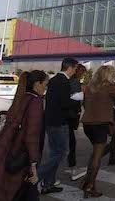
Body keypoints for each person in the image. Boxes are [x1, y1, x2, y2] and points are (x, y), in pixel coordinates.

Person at [0, 71, 48, 201]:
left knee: (0, 190)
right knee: (21, 192)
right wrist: (34, 164)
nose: (45, 88)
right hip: (20, 156)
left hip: (7, 151)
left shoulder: (21, 98)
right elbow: (32, 135)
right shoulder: (35, 102)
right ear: (37, 84)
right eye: (45, 84)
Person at [79, 66, 115, 198]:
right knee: (97, 156)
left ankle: (87, 182)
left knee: (95, 153)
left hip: (88, 124)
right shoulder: (108, 88)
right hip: (100, 125)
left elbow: (84, 104)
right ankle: (89, 186)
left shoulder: (89, 87)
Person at [38, 57, 81, 195]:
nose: (75, 71)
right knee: (61, 153)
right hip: (59, 122)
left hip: (51, 121)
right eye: (75, 68)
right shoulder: (64, 81)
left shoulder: (55, 80)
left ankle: (48, 184)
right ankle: (36, 177)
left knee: (54, 152)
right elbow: (64, 103)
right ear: (70, 68)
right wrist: (77, 100)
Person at [67, 64, 87, 182]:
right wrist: (83, 92)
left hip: (69, 116)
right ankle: (73, 168)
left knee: (69, 143)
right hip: (69, 116)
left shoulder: (71, 81)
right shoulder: (74, 82)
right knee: (69, 144)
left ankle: (72, 167)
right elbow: (77, 98)